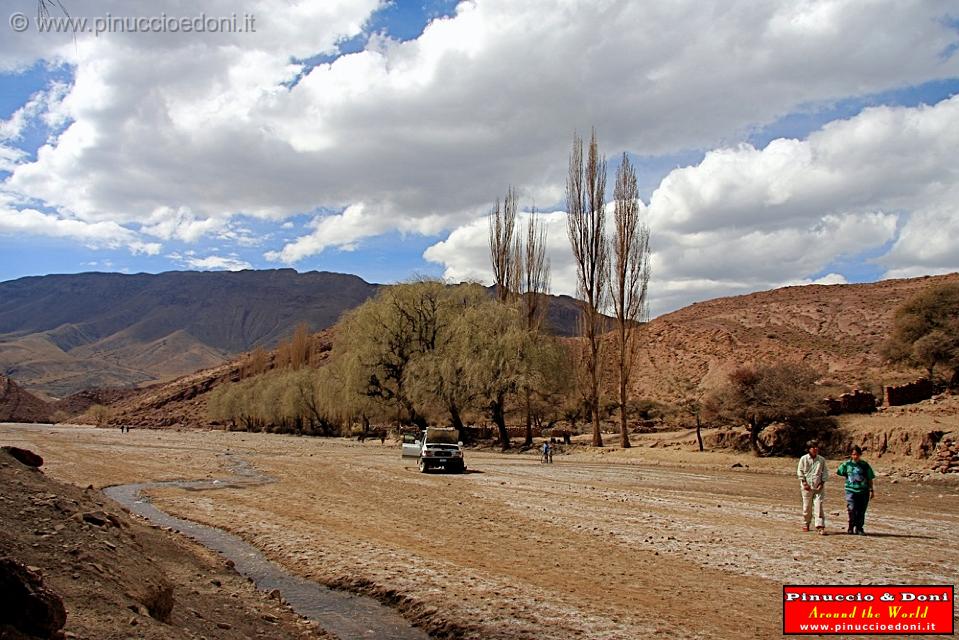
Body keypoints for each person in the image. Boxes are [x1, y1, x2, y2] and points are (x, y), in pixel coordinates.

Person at [836, 445, 876, 535]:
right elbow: (839, 471)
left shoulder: (864, 465)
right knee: (852, 509)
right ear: (851, 455)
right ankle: (851, 526)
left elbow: (870, 478)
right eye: (853, 454)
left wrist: (871, 490)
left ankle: (859, 528)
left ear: (860, 455)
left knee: (861, 510)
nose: (855, 456)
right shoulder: (847, 464)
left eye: (857, 454)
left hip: (863, 490)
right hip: (850, 490)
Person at [797, 440, 828, 535]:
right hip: (806, 488)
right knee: (807, 507)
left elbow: (825, 473)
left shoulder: (821, 460)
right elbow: (800, 471)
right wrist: (804, 483)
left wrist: (822, 483)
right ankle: (806, 523)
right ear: (809, 449)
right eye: (813, 447)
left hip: (818, 487)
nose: (815, 449)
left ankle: (820, 526)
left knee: (818, 505)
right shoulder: (803, 459)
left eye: (816, 447)